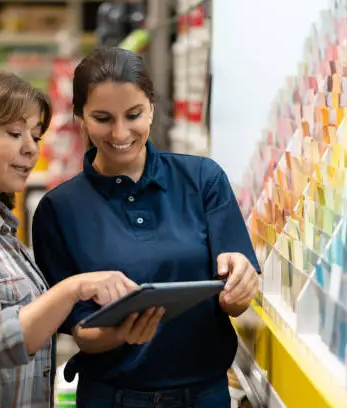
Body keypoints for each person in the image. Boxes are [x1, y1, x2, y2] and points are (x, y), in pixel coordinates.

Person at [0, 72, 150, 408]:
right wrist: (73, 288)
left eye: (35, 136)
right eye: (14, 133)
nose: (30, 149)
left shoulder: (0, 230)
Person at [31, 47, 261, 408]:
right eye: (103, 118)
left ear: (152, 108)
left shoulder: (204, 180)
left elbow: (234, 299)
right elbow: (81, 332)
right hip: (111, 398)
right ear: (81, 118)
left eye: (133, 114)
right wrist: (119, 333)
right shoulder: (58, 211)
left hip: (205, 396)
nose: (120, 132)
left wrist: (241, 287)